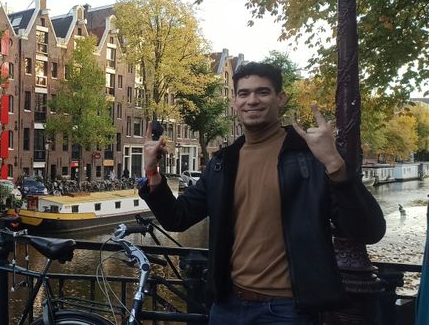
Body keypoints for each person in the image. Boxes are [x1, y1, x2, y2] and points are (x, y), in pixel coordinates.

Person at [140, 62, 385, 324]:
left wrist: (335, 165)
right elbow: (177, 218)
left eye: (263, 92)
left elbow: (368, 231)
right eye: (243, 94)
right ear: (235, 102)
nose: (252, 101)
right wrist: (153, 173)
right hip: (228, 306)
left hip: (288, 310)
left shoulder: (310, 158)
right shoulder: (223, 163)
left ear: (281, 99)